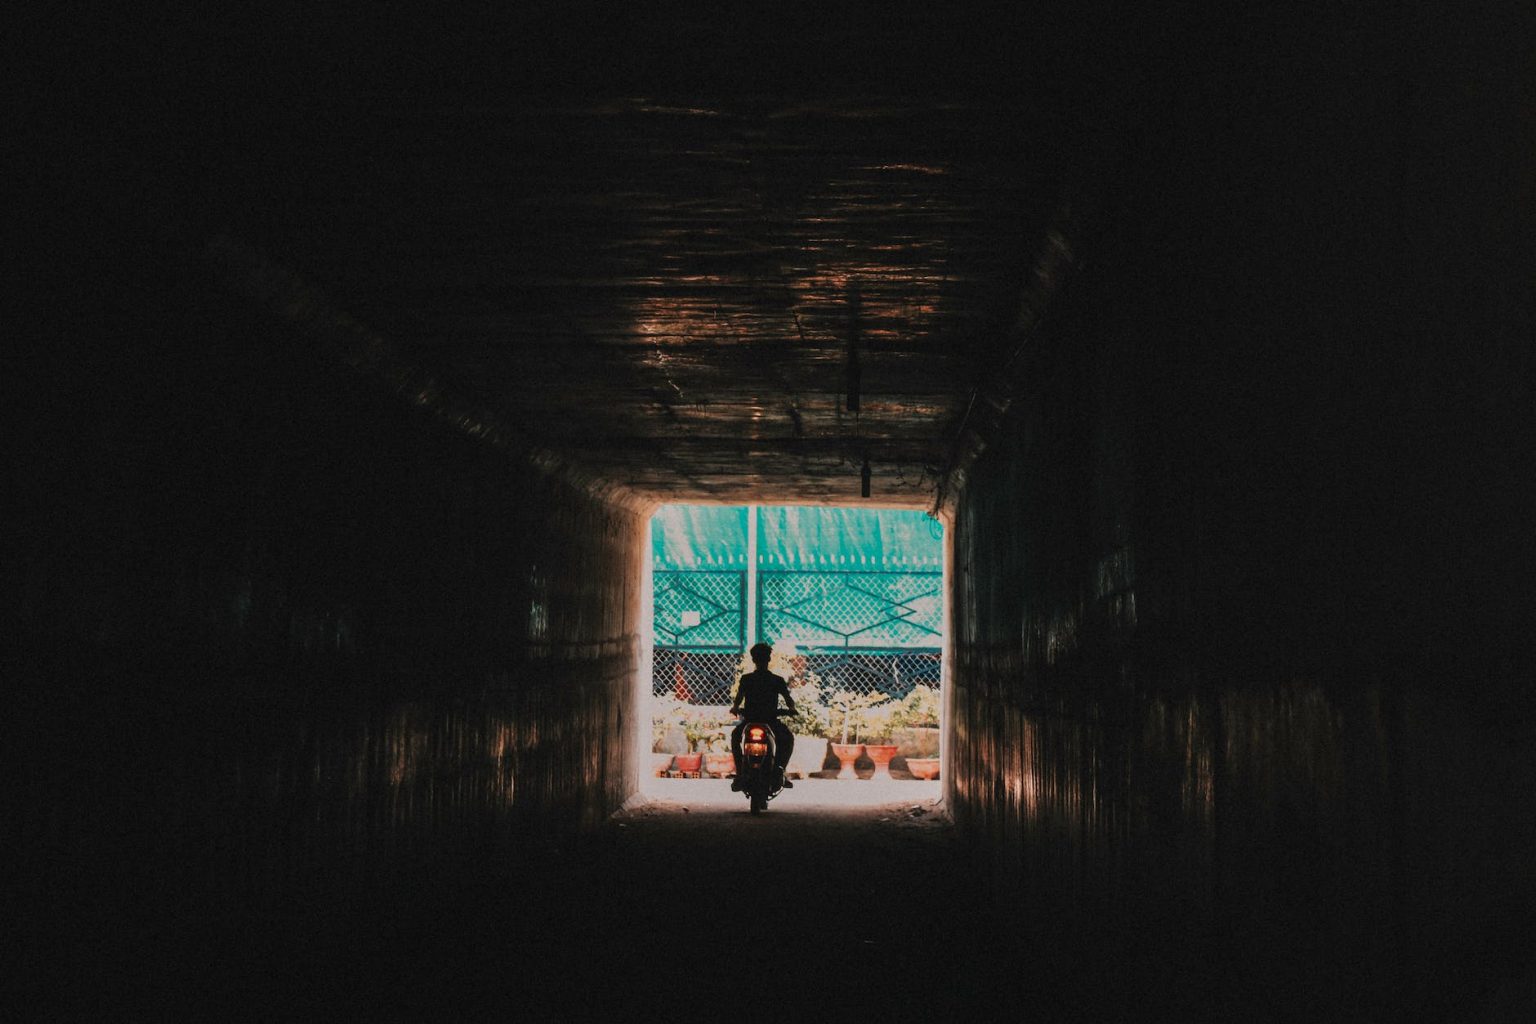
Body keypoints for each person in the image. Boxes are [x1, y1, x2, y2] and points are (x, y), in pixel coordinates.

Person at [729, 642, 796, 791]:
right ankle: (779, 771)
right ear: (769, 659)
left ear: (753, 660)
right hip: (770, 720)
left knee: (735, 737)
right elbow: (788, 699)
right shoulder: (777, 680)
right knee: (788, 739)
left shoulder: (746, 679)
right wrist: (791, 709)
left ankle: (740, 774)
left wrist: (735, 708)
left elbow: (739, 699)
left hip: (750, 720)